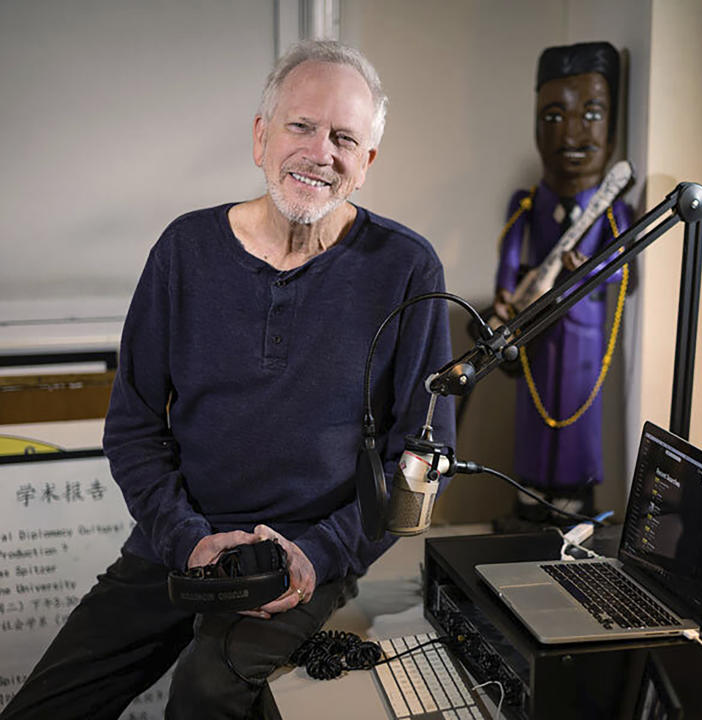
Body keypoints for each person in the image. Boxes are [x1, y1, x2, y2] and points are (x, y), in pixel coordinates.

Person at [0, 40, 454, 720]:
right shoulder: (184, 250)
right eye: (301, 126)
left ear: (365, 164)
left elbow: (419, 456)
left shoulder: (407, 268)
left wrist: (318, 553)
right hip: (178, 538)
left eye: (344, 138)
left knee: (205, 691)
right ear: (261, 136)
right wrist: (187, 538)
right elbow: (133, 427)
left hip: (307, 547)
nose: (319, 152)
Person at [492, 41, 631, 524]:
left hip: (587, 338)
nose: (573, 132)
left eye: (591, 114)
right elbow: (509, 261)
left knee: (576, 418)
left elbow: (624, 270)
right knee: (532, 416)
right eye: (554, 117)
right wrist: (505, 299)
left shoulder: (614, 207)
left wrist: (585, 270)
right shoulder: (526, 203)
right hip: (534, 334)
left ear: (612, 121)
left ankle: (573, 499)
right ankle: (528, 495)